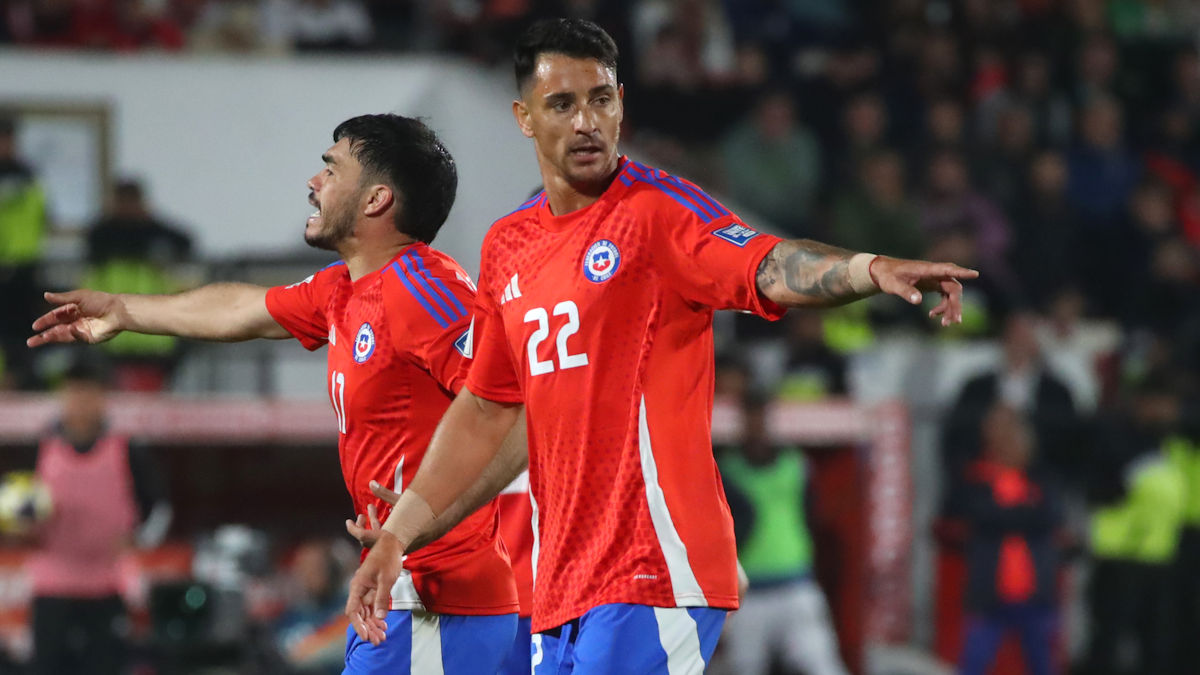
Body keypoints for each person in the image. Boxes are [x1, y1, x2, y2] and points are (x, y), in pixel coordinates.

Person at [346, 18, 976, 673]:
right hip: (564, 589)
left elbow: (768, 263)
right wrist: (401, 533)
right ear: (525, 117)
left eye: (602, 99)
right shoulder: (508, 246)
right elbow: (485, 408)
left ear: (622, 104)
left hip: (656, 568)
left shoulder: (658, 212)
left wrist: (866, 268)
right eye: (562, 104)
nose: (587, 120)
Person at [27, 114, 525, 675]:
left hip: (441, 600)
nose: (314, 182)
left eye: (331, 168)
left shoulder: (423, 288)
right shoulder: (345, 289)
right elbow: (242, 309)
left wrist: (417, 525)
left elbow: (517, 408)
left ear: (377, 199)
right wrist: (126, 310)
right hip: (399, 592)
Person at [27, 359, 171, 675]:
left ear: (102, 398)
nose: (80, 403)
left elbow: (159, 507)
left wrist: (139, 539)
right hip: (53, 584)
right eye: (73, 394)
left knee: (105, 665)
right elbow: (16, 506)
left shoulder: (126, 448)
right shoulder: (39, 447)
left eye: (88, 394)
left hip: (108, 584)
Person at [718, 391, 849, 675]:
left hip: (795, 586)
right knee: (743, 668)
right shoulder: (726, 471)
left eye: (760, 418)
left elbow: (811, 518)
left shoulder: (795, 465)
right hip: (748, 593)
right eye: (748, 418)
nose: (755, 426)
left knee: (822, 666)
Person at [957, 405, 1062, 675]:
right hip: (990, 593)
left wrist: (1012, 516)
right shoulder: (977, 477)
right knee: (974, 662)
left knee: (1041, 663)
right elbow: (982, 516)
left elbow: (1049, 517)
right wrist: (1023, 514)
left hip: (1034, 594)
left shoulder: (1041, 480)